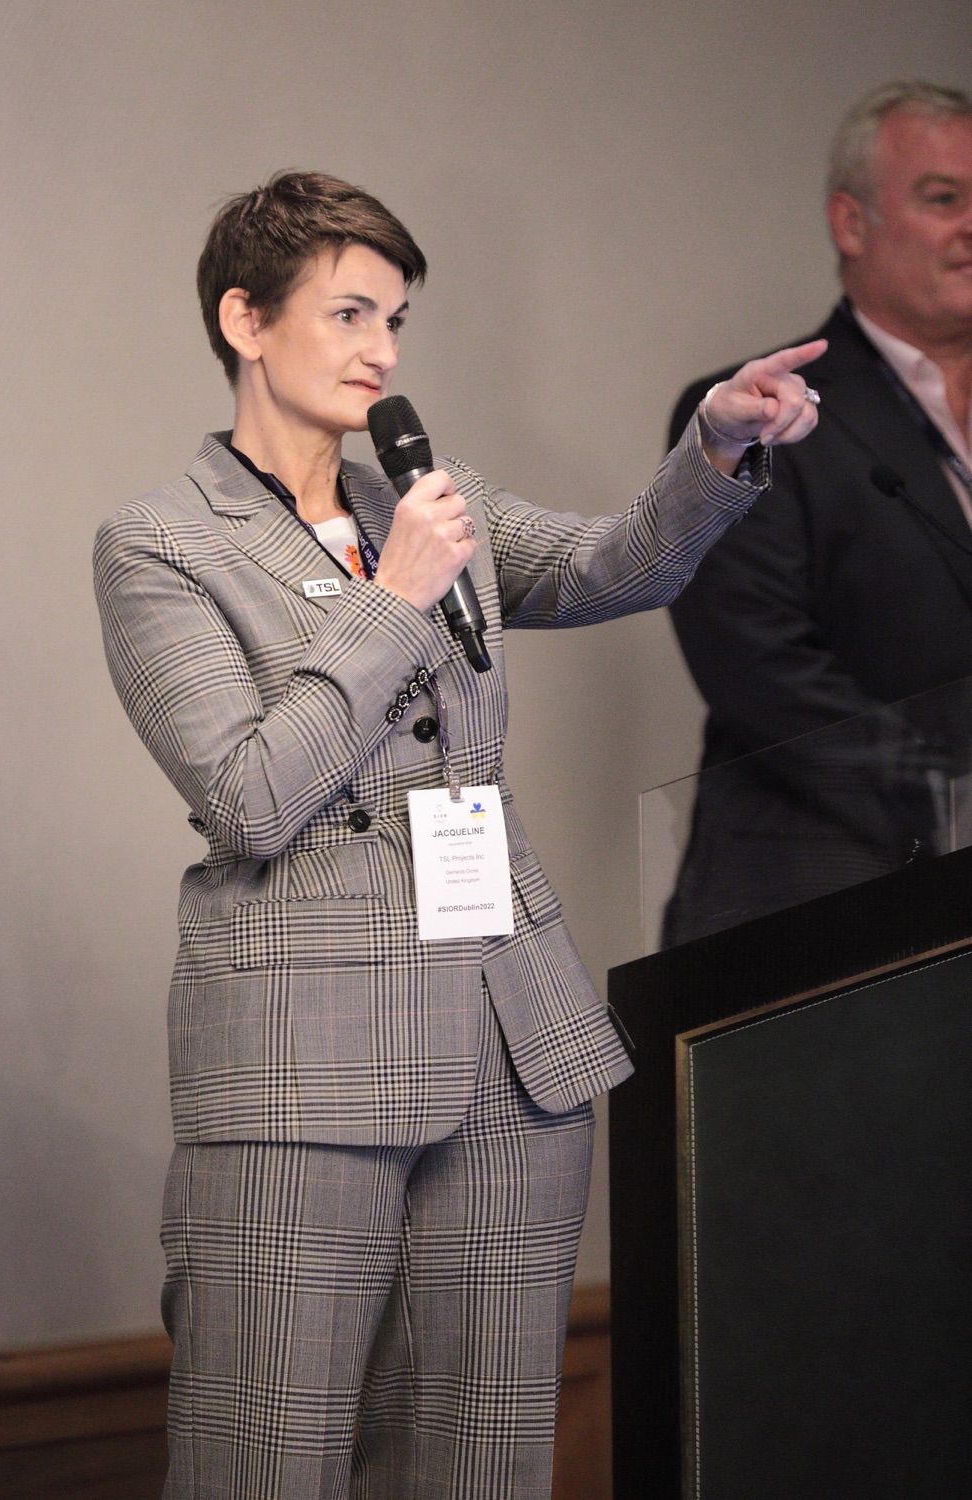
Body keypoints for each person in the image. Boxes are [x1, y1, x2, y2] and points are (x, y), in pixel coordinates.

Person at [93, 170, 821, 1499]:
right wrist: (396, 602)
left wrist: (714, 449)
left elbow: (620, 564)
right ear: (245, 320)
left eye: (399, 320)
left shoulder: (426, 496)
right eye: (351, 312)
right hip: (302, 1065)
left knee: (480, 1464)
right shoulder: (158, 545)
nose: (383, 349)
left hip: (507, 1040)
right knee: (265, 1460)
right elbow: (248, 797)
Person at [663, 81, 972, 947]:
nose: (969, 225)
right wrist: (945, 795)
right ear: (850, 222)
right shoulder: (761, 415)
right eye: (942, 199)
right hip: (821, 904)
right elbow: (759, 668)